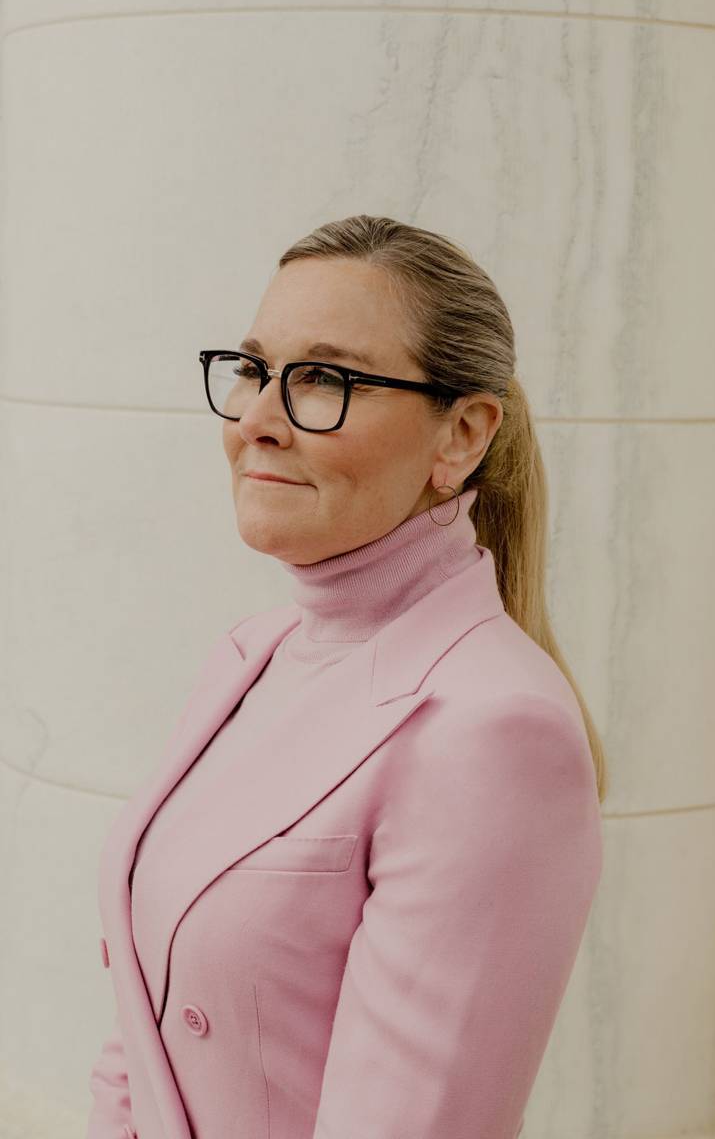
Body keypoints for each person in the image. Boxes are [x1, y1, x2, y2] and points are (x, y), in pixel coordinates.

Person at [86, 214, 607, 1139]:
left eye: (324, 378)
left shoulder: (494, 730)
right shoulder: (252, 654)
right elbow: (143, 1021)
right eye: (252, 369)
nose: (255, 420)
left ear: (463, 436)